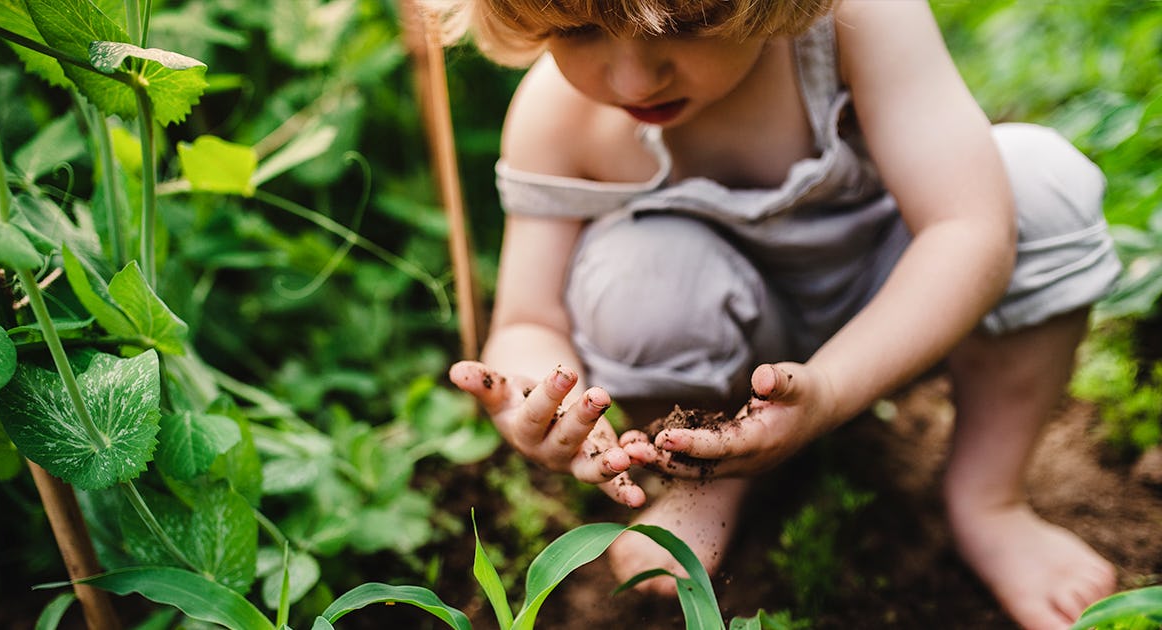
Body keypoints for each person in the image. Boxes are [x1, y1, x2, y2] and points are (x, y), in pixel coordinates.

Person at [428, 0, 1123, 627]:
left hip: (897, 310)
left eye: (691, 24)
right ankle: (706, 466)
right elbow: (528, 321)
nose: (635, 81)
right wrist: (540, 402)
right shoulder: (558, 118)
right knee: (639, 275)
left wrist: (829, 392)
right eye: (579, 30)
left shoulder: (857, 24)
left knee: (1035, 186)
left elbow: (965, 229)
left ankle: (988, 498)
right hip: (718, 340)